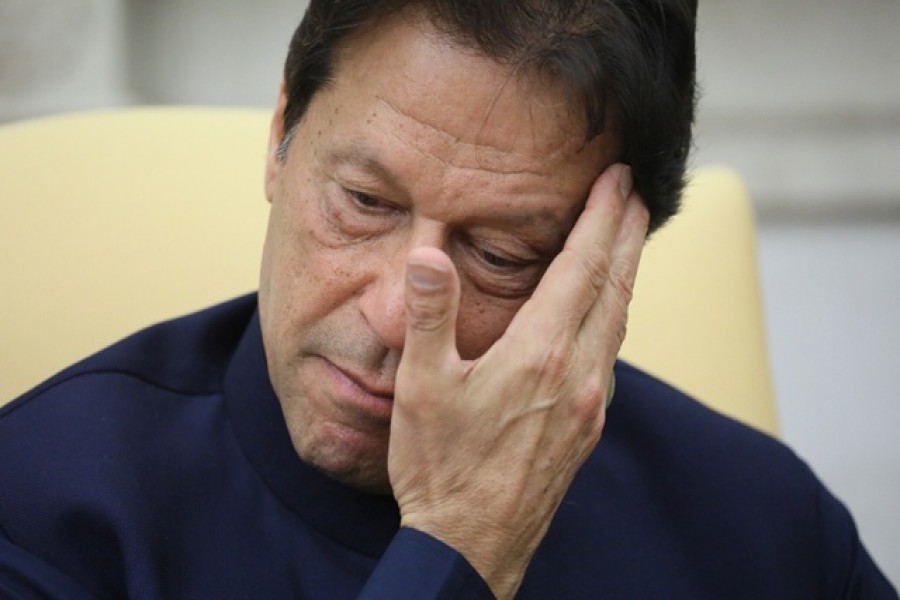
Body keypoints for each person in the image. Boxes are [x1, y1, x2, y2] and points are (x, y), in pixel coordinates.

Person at [0, 0, 896, 598]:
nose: (395, 315)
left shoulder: (762, 530)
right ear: (281, 134)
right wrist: (460, 548)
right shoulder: (45, 503)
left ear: (616, 253)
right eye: (365, 203)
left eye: (500, 253)